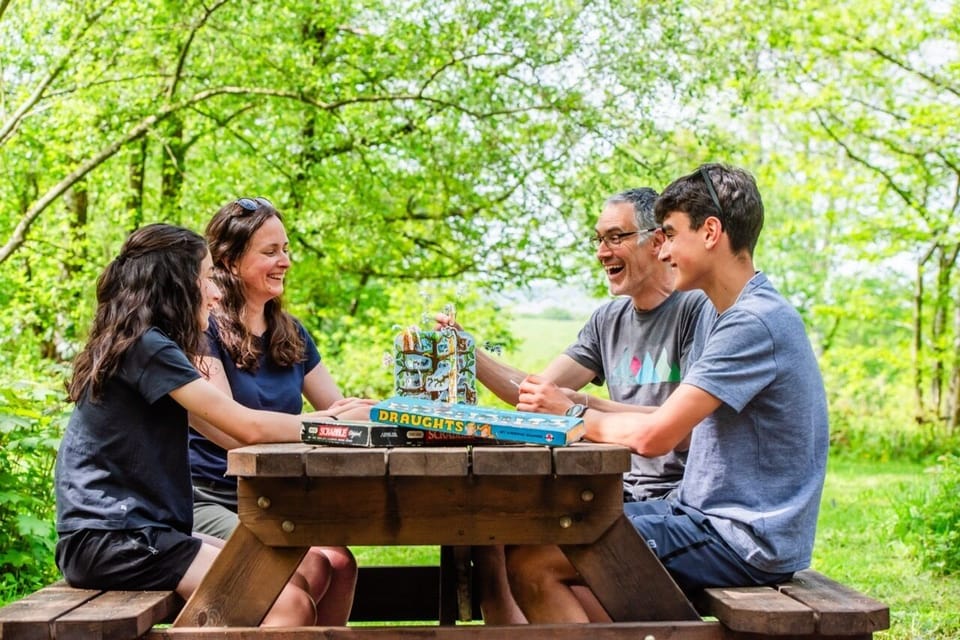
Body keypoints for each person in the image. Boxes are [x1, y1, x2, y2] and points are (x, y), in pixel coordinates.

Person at [509, 163, 830, 623]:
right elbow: (660, 418)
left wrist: (570, 412)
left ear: (711, 232)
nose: (664, 253)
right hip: (702, 516)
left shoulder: (752, 322)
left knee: (536, 559)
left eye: (672, 235)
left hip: (742, 537)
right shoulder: (729, 314)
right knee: (542, 540)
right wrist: (577, 403)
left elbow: (656, 435)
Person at [54, 223, 368, 626]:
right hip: (115, 538)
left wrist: (332, 419)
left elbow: (230, 423)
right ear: (176, 286)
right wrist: (336, 424)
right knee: (288, 604)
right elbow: (247, 427)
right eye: (205, 279)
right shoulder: (147, 348)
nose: (216, 292)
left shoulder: (145, 344)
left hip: (133, 534)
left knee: (305, 572)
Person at [437, 187, 709, 624]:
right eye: (598, 239)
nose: (603, 252)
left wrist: (579, 405)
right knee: (493, 530)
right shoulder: (609, 320)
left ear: (658, 241)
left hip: (670, 502)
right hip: (611, 490)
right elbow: (535, 393)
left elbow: (680, 426)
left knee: (530, 558)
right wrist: (467, 352)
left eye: (616, 237)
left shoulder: (696, 309)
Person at [188, 197, 369, 625]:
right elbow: (231, 427)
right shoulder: (202, 330)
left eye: (286, 249)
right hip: (208, 494)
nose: (285, 261)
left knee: (340, 562)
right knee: (306, 568)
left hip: (275, 496)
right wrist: (332, 422)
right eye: (270, 252)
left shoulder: (292, 334)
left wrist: (376, 413)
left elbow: (335, 410)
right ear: (229, 262)